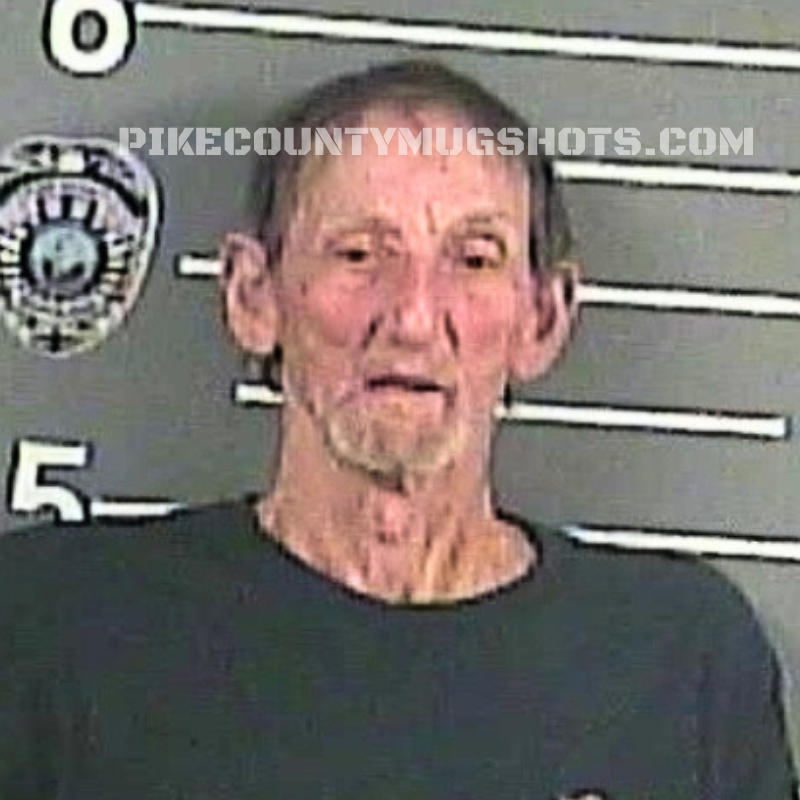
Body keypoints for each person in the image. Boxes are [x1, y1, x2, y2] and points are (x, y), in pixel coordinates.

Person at [0, 60, 796, 800]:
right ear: (253, 295)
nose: (413, 317)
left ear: (543, 318)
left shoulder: (684, 663)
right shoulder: (51, 630)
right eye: (357, 255)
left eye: (473, 260)